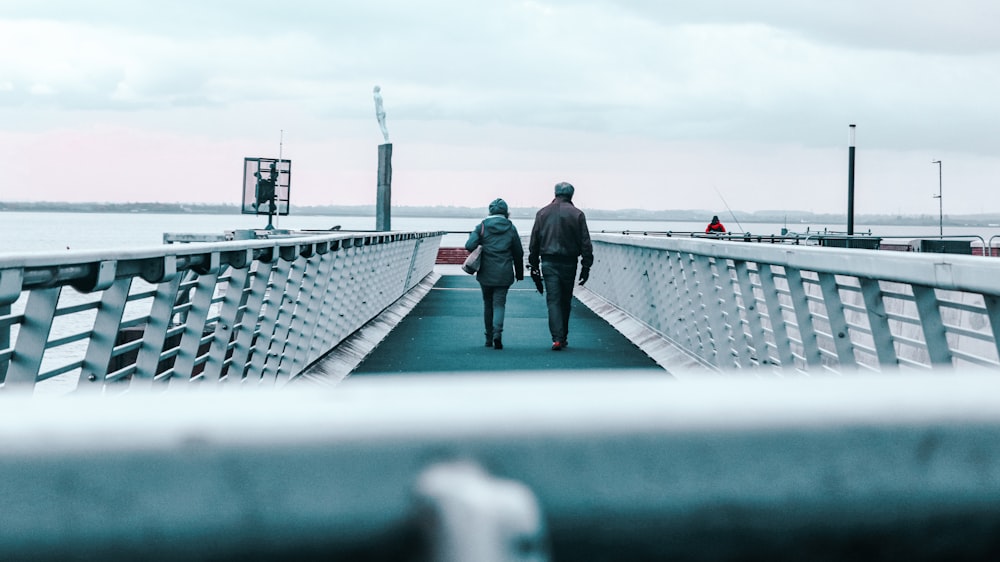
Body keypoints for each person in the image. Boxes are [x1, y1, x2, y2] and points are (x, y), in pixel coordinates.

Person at [528, 181, 593, 351]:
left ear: (555, 194)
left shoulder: (542, 213)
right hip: (569, 262)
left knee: (553, 300)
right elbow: (586, 243)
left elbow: (534, 242)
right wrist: (586, 266)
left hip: (548, 262)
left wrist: (534, 263)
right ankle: (562, 336)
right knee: (565, 299)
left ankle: (557, 338)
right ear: (571, 195)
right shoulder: (578, 214)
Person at [465, 198, 524, 350]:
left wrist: (480, 240)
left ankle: (488, 338)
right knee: (499, 304)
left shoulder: (482, 226)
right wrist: (519, 273)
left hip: (486, 272)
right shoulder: (511, 228)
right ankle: (498, 335)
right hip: (504, 273)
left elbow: (469, 245)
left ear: (490, 211)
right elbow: (518, 252)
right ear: (506, 212)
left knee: (488, 304)